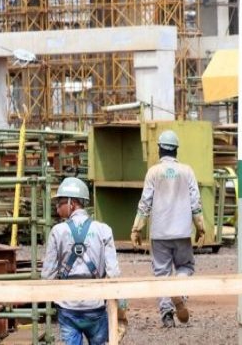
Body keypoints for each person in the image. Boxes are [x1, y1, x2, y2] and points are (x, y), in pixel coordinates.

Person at [130, 129, 205, 328]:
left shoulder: (153, 172)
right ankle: (178, 292)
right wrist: (201, 228)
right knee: (186, 267)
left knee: (161, 273)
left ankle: (166, 314)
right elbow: (195, 203)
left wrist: (136, 228)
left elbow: (145, 203)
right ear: (176, 150)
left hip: (160, 233)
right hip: (182, 232)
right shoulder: (187, 171)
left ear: (160, 149)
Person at [42, 177, 127, 345]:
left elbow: (47, 275)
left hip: (68, 308)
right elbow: (114, 273)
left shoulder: (57, 232)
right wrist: (121, 304)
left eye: (60, 201)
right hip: (95, 305)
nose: (57, 206)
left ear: (71, 202)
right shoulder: (104, 230)